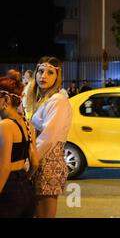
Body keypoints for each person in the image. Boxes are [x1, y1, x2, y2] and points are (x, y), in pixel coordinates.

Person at [25, 57, 73, 218]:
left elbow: (48, 137)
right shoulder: (43, 100)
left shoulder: (58, 100)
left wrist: (31, 162)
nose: (43, 76)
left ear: (57, 76)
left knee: (45, 214)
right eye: (40, 71)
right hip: (42, 160)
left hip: (48, 161)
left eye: (50, 72)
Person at [0, 72, 39, 217]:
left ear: (5, 99)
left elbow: (4, 167)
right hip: (26, 189)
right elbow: (35, 163)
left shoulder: (5, 126)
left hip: (8, 190)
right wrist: (23, 179)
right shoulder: (27, 124)